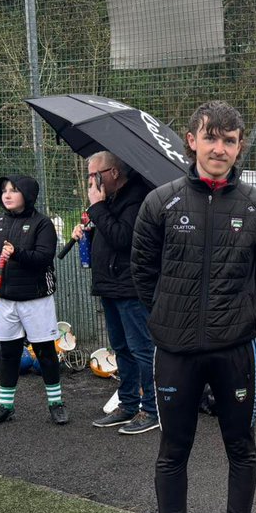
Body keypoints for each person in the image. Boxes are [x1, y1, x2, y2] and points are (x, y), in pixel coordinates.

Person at [132, 100, 256, 513]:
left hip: (234, 350)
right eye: (211, 137)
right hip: (174, 351)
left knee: (241, 447)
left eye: (230, 139)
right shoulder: (160, 203)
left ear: (240, 147)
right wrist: (169, 320)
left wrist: (237, 320)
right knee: (173, 451)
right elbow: (144, 275)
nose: (220, 148)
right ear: (191, 140)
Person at [69, 152, 158, 436]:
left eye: (94, 175)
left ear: (114, 173)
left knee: (141, 348)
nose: (90, 182)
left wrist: (97, 208)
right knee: (120, 348)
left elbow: (123, 238)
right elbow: (108, 236)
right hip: (110, 284)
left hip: (131, 287)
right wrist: (88, 233)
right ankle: (129, 403)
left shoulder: (138, 199)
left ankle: (153, 409)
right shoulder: (111, 200)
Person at [0, 175, 67, 428]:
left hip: (35, 298)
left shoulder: (42, 223)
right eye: (4, 190)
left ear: (27, 194)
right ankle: (5, 407)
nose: (6, 194)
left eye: (13, 190)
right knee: (9, 353)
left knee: (45, 352)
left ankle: (56, 403)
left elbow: (44, 258)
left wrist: (17, 253)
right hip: (4, 299)